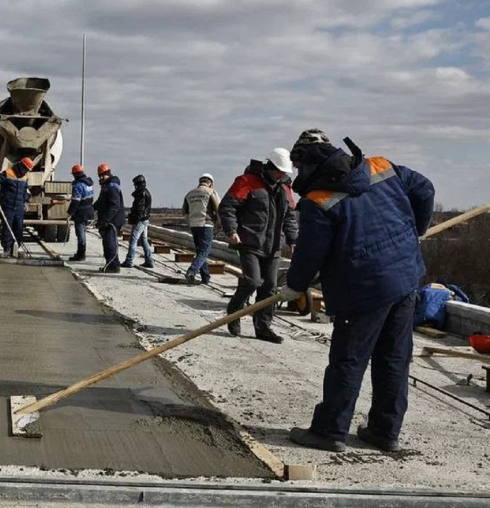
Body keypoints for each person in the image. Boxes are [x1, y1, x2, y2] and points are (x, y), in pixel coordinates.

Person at [282, 130, 434, 453]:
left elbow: (310, 253)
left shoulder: (318, 200)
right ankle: (384, 431)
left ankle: (329, 431)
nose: (297, 174)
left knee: (349, 360)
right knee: (394, 358)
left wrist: (293, 286)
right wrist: (414, 233)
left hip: (362, 289)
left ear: (307, 162)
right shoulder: (379, 166)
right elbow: (426, 189)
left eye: (297, 167)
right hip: (405, 279)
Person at [219, 148, 297, 343]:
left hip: (274, 246)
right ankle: (234, 313)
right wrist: (231, 231)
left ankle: (263, 327)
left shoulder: (285, 188)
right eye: (279, 171)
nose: (281, 175)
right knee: (253, 282)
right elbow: (227, 206)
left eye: (284, 172)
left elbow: (290, 216)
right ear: (270, 166)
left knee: (270, 287)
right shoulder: (247, 181)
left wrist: (293, 239)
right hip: (250, 242)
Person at [182, 173, 221, 284]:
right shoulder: (210, 192)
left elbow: (184, 211)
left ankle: (205, 277)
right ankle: (192, 271)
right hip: (206, 224)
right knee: (205, 251)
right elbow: (219, 209)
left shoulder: (189, 194)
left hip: (194, 225)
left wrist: (190, 220)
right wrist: (220, 223)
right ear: (211, 183)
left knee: (200, 251)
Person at [0, 157, 33, 257]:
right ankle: (7, 248)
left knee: (18, 228)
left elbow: (24, 191)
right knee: (7, 227)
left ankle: (15, 248)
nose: (26, 171)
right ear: (21, 166)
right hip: (8, 205)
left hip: (19, 207)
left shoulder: (25, 177)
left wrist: (25, 202)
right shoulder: (8, 173)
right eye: (26, 169)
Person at [93, 163, 125, 274]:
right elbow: (100, 202)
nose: (101, 178)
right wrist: (91, 209)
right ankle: (110, 264)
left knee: (110, 243)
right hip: (108, 220)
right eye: (100, 176)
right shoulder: (106, 186)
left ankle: (114, 266)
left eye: (103, 175)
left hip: (113, 220)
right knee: (107, 243)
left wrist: (105, 220)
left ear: (108, 174)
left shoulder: (112, 187)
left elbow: (114, 206)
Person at [121, 174, 153, 268]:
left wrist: (133, 217)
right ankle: (149, 260)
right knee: (143, 241)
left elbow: (139, 209)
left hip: (140, 220)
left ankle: (129, 260)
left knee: (133, 240)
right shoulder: (145, 192)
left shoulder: (141, 194)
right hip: (145, 219)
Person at [67, 164, 95, 262]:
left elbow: (75, 201)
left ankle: (81, 255)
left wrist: (70, 213)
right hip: (89, 211)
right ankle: (81, 253)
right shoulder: (89, 184)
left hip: (81, 213)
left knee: (80, 234)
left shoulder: (78, 185)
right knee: (82, 233)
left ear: (75, 174)